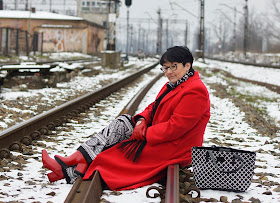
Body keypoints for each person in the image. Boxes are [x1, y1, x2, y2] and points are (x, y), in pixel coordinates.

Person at [42, 46, 210, 190]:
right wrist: (142, 121)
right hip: (160, 137)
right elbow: (153, 107)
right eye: (165, 68)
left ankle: (66, 167)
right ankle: (73, 162)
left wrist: (144, 133)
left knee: (111, 157)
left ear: (187, 65)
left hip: (175, 147)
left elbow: (176, 127)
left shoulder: (195, 91)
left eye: (173, 67)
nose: (169, 72)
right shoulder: (175, 85)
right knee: (121, 123)